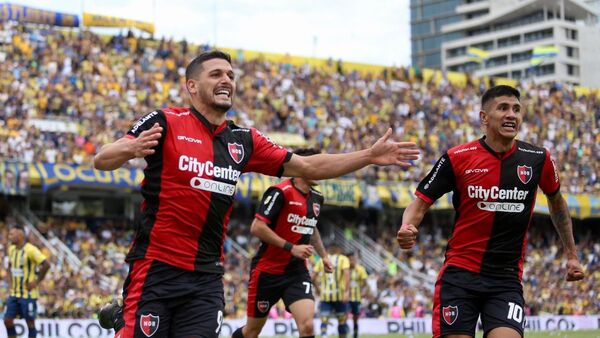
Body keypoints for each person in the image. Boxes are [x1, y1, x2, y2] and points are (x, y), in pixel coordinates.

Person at [94, 50, 419, 338]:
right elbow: (102, 159)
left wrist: (368, 155)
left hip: (206, 279)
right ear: (191, 86)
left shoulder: (243, 140)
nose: (227, 80)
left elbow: (309, 166)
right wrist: (130, 148)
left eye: (231, 76)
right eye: (216, 74)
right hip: (156, 269)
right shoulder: (165, 121)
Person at [396, 85, 585, 338]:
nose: (512, 115)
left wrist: (571, 255)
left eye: (516, 109)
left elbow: (557, 203)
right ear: (484, 118)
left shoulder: (538, 158)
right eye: (503, 108)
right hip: (459, 275)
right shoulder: (457, 157)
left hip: (505, 279)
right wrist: (407, 226)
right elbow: (419, 202)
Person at [231, 148, 333, 338]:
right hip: (267, 272)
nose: (323, 170)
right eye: (319, 165)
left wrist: (324, 256)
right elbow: (257, 227)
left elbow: (311, 227)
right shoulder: (280, 192)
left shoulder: (317, 198)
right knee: (252, 332)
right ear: (304, 167)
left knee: (308, 326)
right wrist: (291, 247)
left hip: (296, 272)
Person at [4, 225, 50, 338]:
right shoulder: (11, 249)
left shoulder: (30, 249)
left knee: (30, 323)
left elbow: (46, 264)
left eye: (12, 234)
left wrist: (37, 281)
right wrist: (10, 282)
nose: (9, 237)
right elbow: (9, 266)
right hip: (14, 293)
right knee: (7, 320)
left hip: (28, 294)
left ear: (20, 235)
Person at [312, 244, 350, 338]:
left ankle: (324, 335)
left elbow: (312, 277)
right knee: (342, 321)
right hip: (340, 295)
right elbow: (346, 275)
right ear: (338, 249)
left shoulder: (322, 260)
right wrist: (346, 291)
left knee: (324, 320)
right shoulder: (343, 259)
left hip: (325, 295)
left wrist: (317, 289)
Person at [347, 251, 368, 338]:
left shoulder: (360, 269)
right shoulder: (345, 269)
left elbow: (365, 283)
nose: (352, 261)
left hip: (356, 297)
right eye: (350, 259)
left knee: (355, 317)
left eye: (353, 259)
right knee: (343, 315)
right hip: (346, 297)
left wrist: (363, 291)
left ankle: (355, 333)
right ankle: (344, 331)